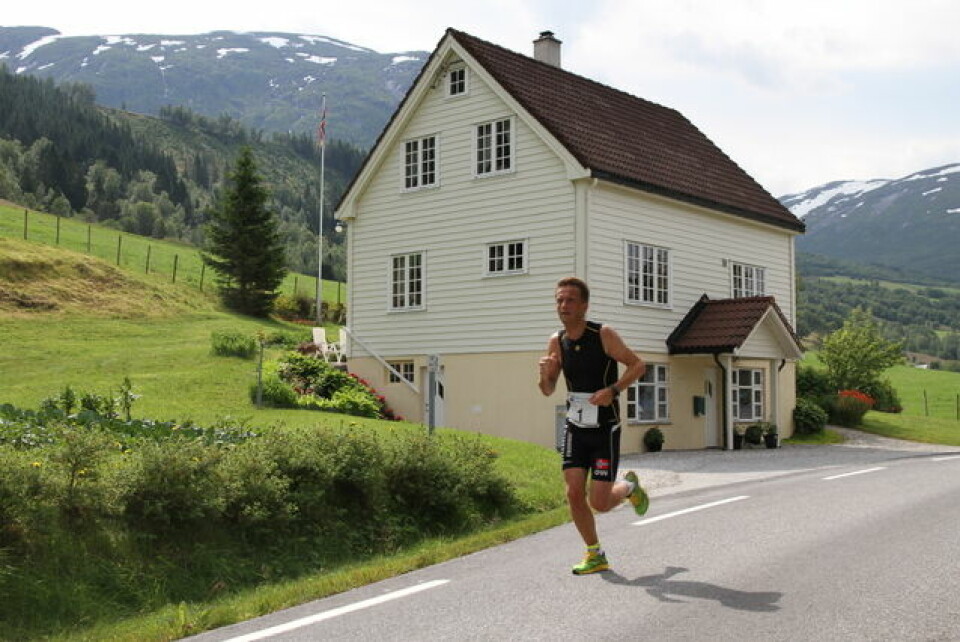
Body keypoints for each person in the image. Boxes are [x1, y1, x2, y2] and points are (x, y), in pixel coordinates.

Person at [538, 277, 650, 575]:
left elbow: (638, 365)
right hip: (576, 425)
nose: (563, 306)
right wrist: (546, 374)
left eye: (570, 300)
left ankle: (628, 487)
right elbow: (547, 390)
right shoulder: (556, 340)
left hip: (604, 428)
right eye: (559, 300)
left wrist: (613, 390)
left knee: (599, 502)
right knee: (573, 493)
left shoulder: (603, 334)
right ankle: (595, 553)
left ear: (584, 305)